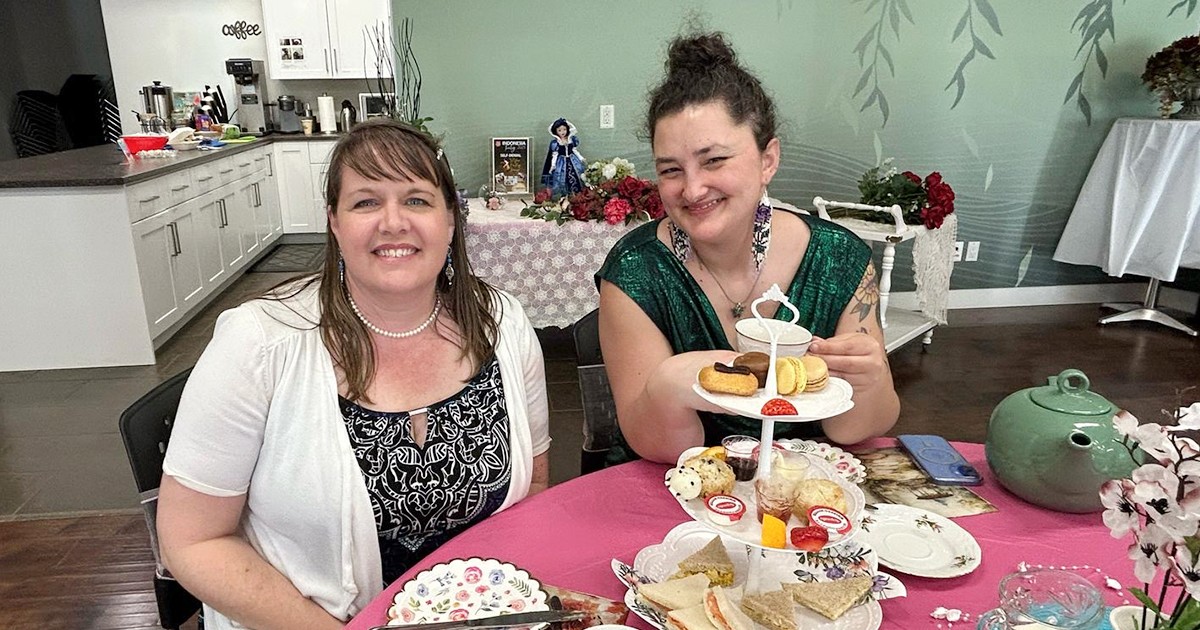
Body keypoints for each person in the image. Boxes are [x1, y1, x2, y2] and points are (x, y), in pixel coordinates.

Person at [156, 119, 551, 629]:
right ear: (335, 223)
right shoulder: (259, 344)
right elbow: (192, 540)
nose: (393, 222)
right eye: (366, 202)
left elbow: (534, 486)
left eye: (416, 200)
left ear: (451, 220)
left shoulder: (502, 323)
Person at [596, 32, 899, 466]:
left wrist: (871, 380)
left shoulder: (840, 260)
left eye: (714, 160)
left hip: (804, 488)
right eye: (671, 170)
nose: (692, 189)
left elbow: (853, 430)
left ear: (767, 160)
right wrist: (668, 385)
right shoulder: (635, 272)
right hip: (678, 484)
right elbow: (661, 448)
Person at [540, 117, 587, 197]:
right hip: (561, 162)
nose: (562, 132)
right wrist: (553, 165)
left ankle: (577, 193)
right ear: (556, 131)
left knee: (578, 174)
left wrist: (581, 158)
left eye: (564, 129)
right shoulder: (556, 143)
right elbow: (555, 155)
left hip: (573, 160)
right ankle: (564, 195)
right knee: (561, 177)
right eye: (559, 130)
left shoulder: (571, 139)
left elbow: (574, 150)